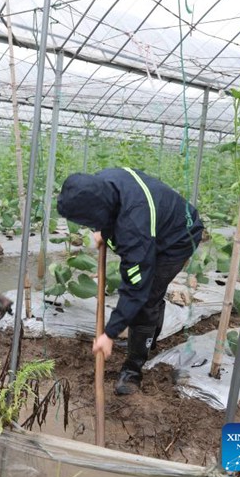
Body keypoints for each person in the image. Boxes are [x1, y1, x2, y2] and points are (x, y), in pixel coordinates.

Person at [56, 168, 203, 395]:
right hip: (156, 222)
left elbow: (135, 289)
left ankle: (133, 370)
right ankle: (147, 333)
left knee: (146, 297)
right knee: (149, 294)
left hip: (179, 236)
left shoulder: (133, 227)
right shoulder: (102, 183)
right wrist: (103, 230)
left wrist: (109, 334)